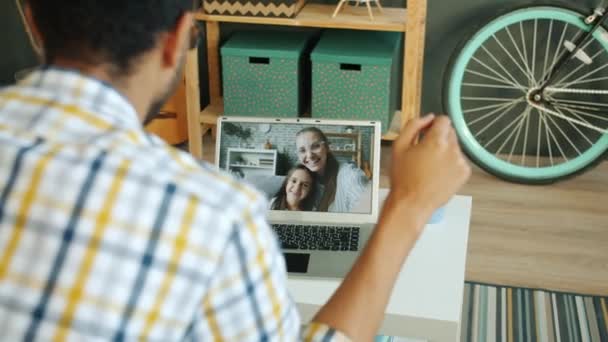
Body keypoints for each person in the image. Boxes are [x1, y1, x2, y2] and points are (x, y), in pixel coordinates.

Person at [0, 0, 471, 340]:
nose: (306, 162)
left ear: (31, 18)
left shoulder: (338, 183)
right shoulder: (214, 213)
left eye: (315, 153)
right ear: (177, 39)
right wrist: (410, 205)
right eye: (300, 158)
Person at [296, 127, 368, 213]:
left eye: (315, 146)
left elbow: (364, 214)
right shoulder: (302, 178)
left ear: (327, 147)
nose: (309, 155)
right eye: (302, 150)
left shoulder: (351, 175)